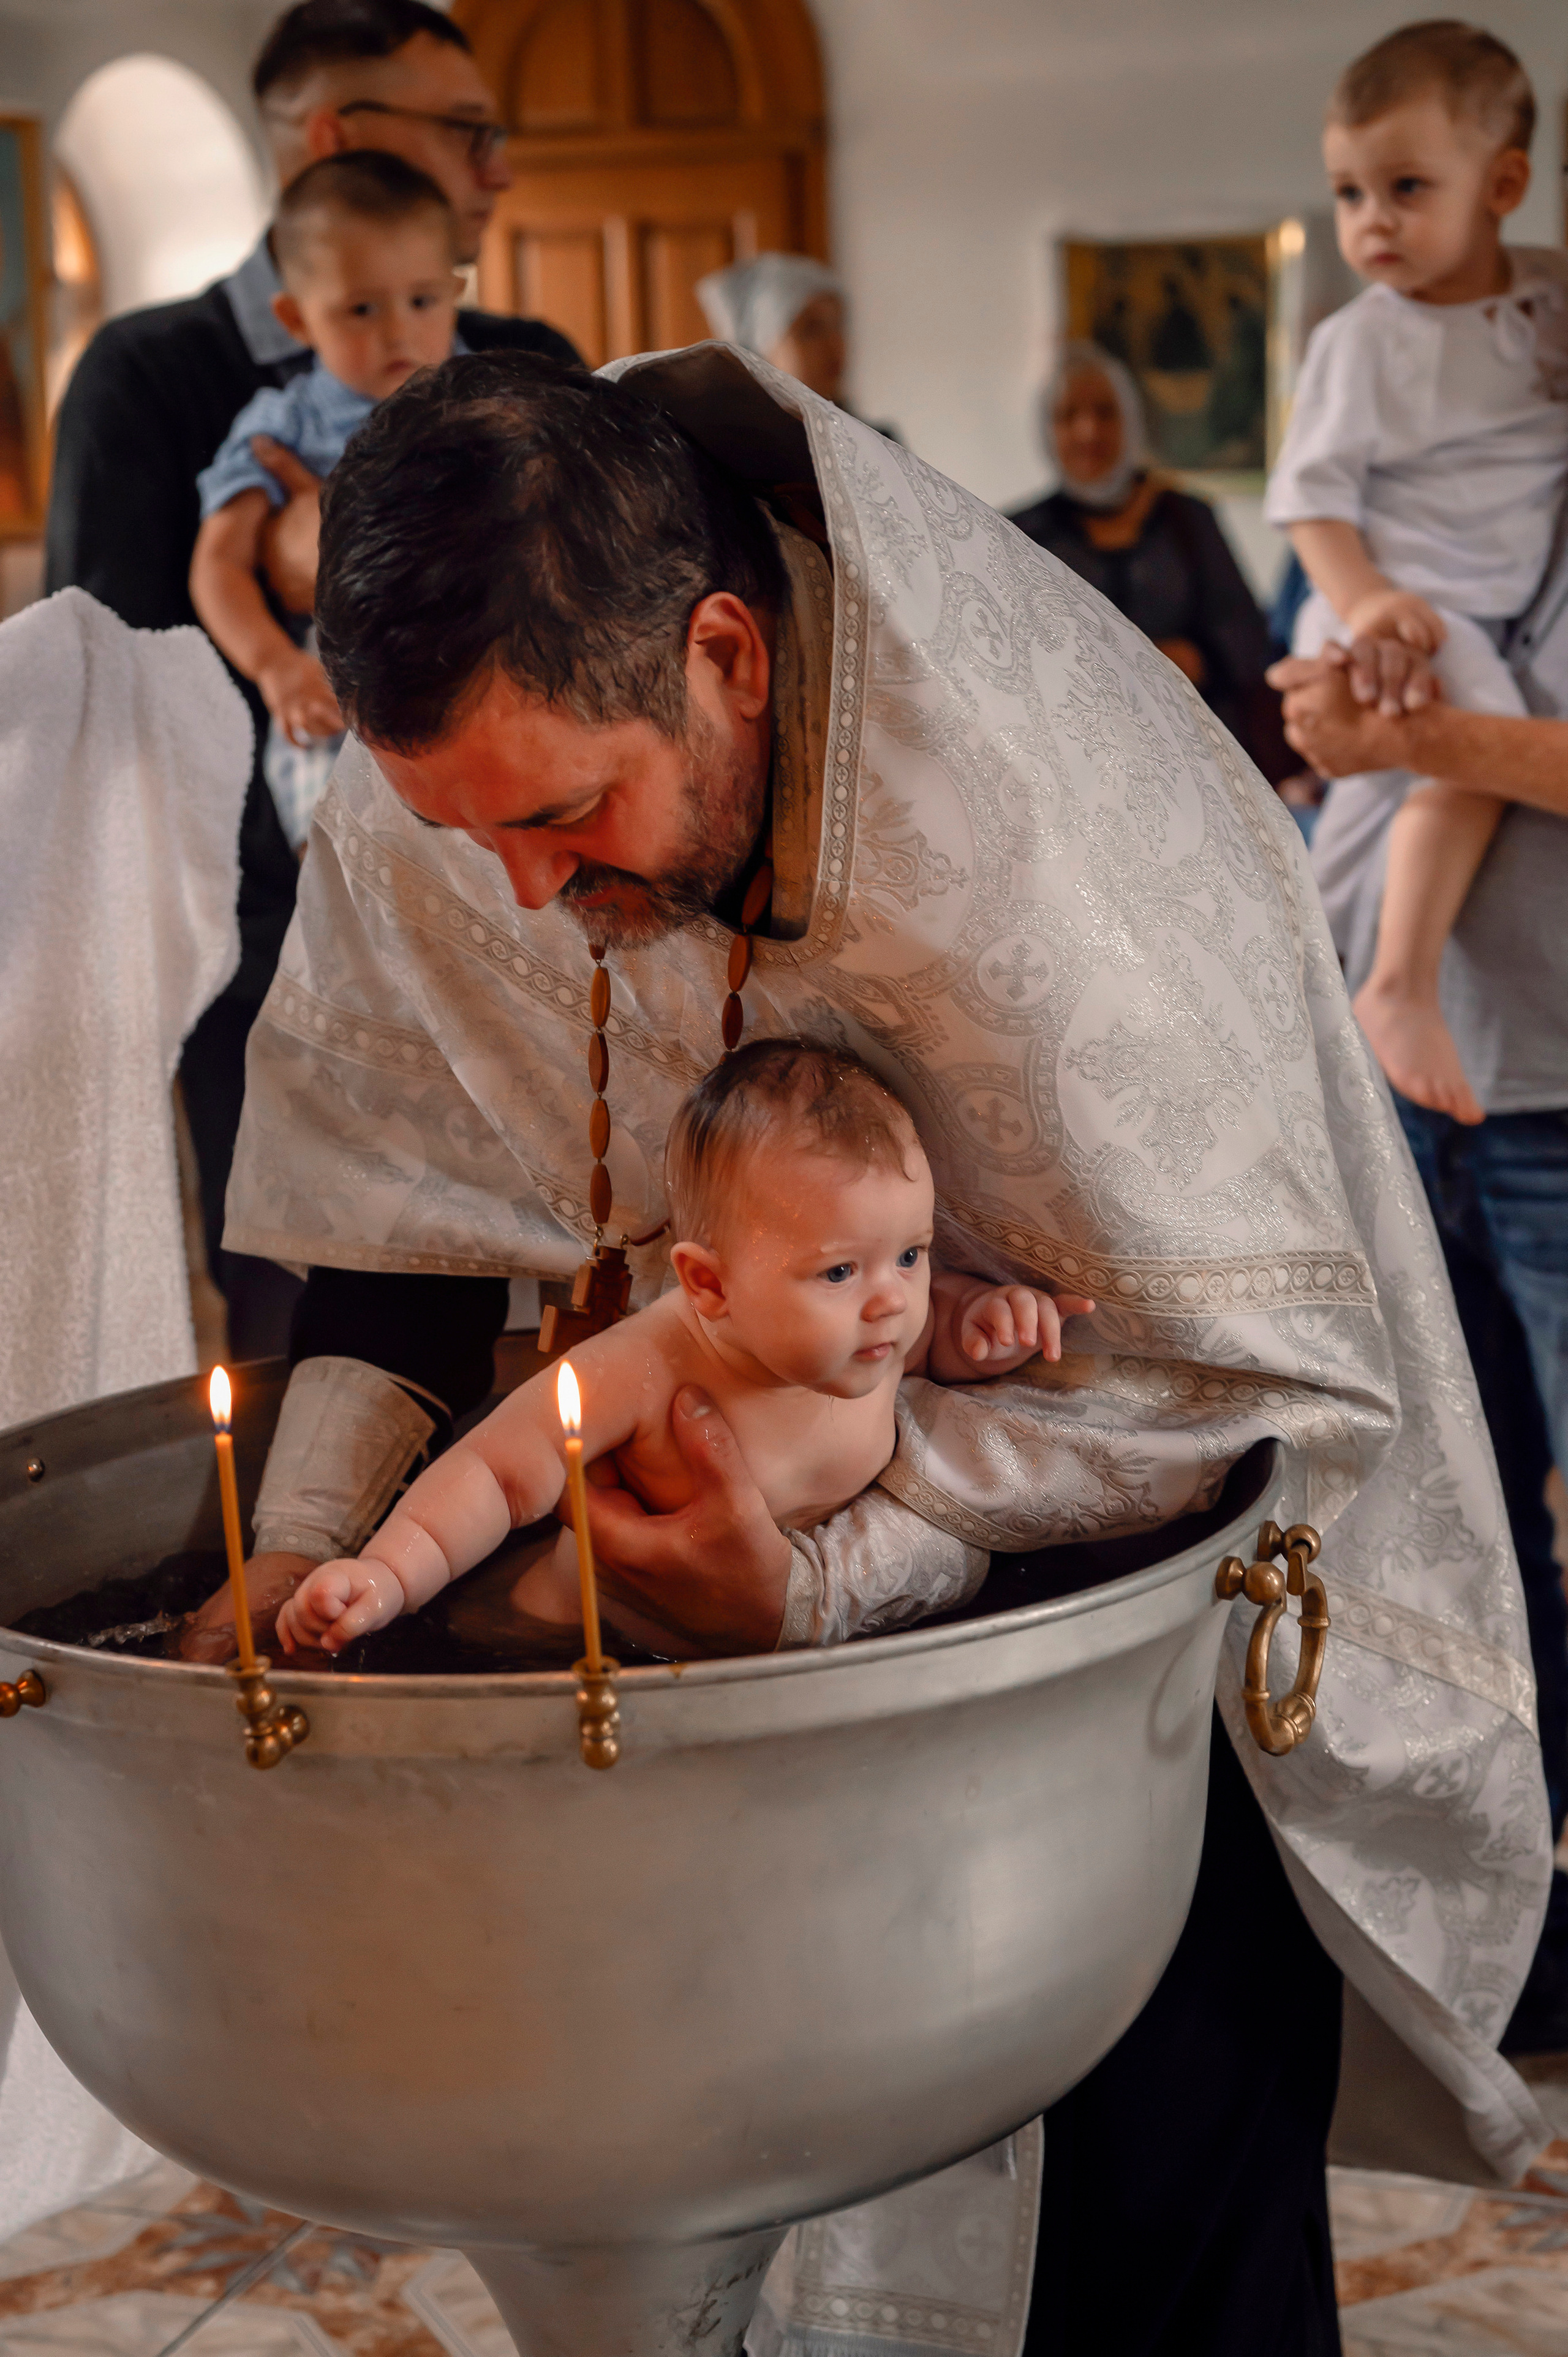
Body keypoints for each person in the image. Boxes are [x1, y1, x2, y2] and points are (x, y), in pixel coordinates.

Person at [184, 339, 1549, 2353]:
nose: (527, 901)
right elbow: (395, 1205)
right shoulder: (467, 784)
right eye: (465, 839)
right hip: (718, 1756)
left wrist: (821, 1571)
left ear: (725, 656)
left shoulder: (1041, 852)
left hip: (1129, 1700)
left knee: (1145, 2242)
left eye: (563, 819)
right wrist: (312, 1547)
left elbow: (1214, 1389)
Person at [43, 0, 578, 1359]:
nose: (499, 168)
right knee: (307, 1327)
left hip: (507, 922)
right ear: (337, 137)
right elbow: (111, 697)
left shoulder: (521, 364)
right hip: (272, 962)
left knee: (542, 1304)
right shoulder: (147, 376)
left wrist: (325, 542)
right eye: (469, 130)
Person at [277, 1039, 1094, 1657]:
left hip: (746, 1651)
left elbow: (939, 1335)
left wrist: (988, 1324)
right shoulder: (645, 1368)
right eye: (840, 1268)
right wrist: (386, 1575)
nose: (894, 1298)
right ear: (709, 1285)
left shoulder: (873, 1335)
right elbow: (495, 1474)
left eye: (911, 1253)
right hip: (564, 1641)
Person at [1273, 549, 1568, 2049]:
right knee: (1464, 1530)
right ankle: (1513, 1906)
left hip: (1556, 1090)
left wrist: (1403, 736)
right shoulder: (1434, 472)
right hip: (1413, 1088)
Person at [1265, 20, 1568, 1129]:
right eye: (1350, 193)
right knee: (1460, 747)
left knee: (1381, 806)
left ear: (1504, 186)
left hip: (1473, 611)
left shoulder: (1546, 305)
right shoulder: (1362, 341)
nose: (1370, 222)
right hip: (1392, 606)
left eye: (1403, 186)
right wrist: (1372, 606)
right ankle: (1394, 980)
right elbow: (1311, 502)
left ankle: (1348, 991)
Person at [192, 153, 465, 849]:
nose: (398, 331)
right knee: (347, 860)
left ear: (456, 291)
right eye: (362, 309)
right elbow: (218, 562)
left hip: (477, 655)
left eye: (424, 300)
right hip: (336, 677)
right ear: (296, 318)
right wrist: (275, 666)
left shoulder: (489, 402)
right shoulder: (282, 425)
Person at [1009, 342, 1294, 785]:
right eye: (1069, 416)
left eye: (1106, 412)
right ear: (1048, 432)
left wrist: (1196, 658)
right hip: (1074, 771)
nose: (1089, 431)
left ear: (1133, 422)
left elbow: (1248, 634)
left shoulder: (1187, 518)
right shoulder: (1020, 534)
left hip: (1195, 765)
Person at [696, 253, 849, 404]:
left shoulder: (863, 429)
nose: (834, 344)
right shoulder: (724, 428)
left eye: (838, 325)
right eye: (811, 329)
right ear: (759, 350)